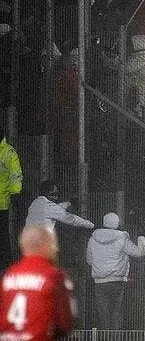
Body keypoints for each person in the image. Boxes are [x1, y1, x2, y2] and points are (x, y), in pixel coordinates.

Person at [0, 226, 76, 341]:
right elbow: (65, 324)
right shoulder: (54, 275)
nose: (56, 249)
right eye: (54, 244)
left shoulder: (7, 276)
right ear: (46, 245)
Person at [85, 212, 145, 330]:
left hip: (99, 282)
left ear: (104, 222)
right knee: (116, 313)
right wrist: (141, 237)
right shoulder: (122, 237)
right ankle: (116, 336)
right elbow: (139, 252)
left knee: (103, 315)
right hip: (118, 281)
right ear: (117, 223)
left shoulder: (93, 238)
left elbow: (89, 260)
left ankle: (104, 337)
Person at [24, 181, 93, 230]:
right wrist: (91, 225)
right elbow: (71, 219)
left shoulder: (35, 203)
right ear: (49, 192)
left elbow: (56, 208)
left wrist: (69, 203)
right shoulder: (50, 207)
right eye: (55, 191)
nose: (57, 193)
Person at [0, 135, 23, 271]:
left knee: (3, 235)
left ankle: (5, 264)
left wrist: (15, 192)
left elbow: (15, 174)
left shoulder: (8, 152)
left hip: (2, 201)